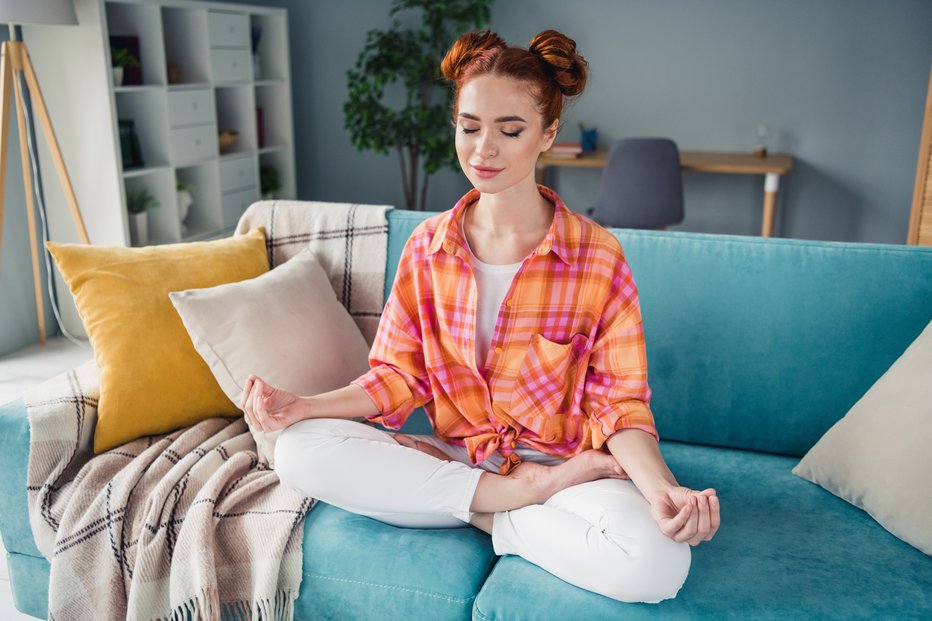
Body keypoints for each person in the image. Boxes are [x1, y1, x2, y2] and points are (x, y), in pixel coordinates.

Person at [241, 29, 720, 604]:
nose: (483, 150)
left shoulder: (597, 255)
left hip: (566, 465)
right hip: (463, 462)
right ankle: (499, 502)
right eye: (469, 128)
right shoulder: (428, 246)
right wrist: (304, 406)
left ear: (547, 134)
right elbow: (398, 377)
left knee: (657, 566)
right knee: (297, 450)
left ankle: (486, 512)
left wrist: (663, 489)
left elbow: (620, 405)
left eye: (509, 130)